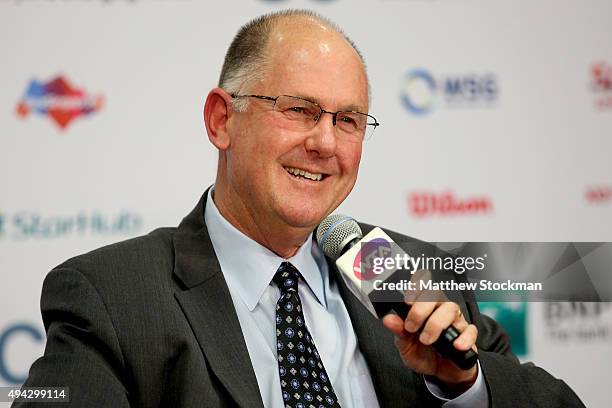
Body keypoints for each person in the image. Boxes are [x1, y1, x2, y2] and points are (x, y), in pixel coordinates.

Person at [15, 10, 584, 408]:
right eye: (300, 109)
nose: (326, 144)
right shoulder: (112, 296)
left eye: (348, 120)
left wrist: (463, 387)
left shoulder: (408, 269)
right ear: (221, 120)